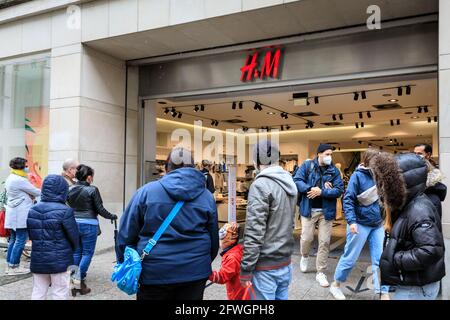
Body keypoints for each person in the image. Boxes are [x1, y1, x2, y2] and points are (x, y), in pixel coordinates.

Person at [117, 148, 219, 300]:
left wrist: (125, 262)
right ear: (193, 167)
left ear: (166, 168)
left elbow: (125, 234)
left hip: (153, 271)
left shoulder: (145, 192)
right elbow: (213, 239)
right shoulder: (206, 197)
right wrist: (201, 261)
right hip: (194, 271)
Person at [372, 152, 445, 300]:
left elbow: (431, 250)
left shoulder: (419, 210)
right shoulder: (410, 204)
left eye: (388, 182)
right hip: (414, 283)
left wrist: (396, 259)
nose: (383, 186)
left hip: (416, 288)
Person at [240, 139, 297, 300]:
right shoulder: (289, 181)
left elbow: (254, 231)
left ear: (257, 161)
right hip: (285, 261)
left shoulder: (260, 185)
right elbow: (290, 223)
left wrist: (246, 269)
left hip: (265, 266)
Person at [329, 149, 389, 300]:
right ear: (369, 161)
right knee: (350, 257)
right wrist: (352, 221)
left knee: (379, 258)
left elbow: (384, 200)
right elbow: (348, 199)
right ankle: (335, 284)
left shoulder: (380, 176)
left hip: (377, 224)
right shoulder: (357, 176)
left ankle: (383, 291)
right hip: (359, 223)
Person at [293, 144, 344, 287]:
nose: (330, 157)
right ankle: (304, 255)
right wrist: (310, 189)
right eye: (327, 154)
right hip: (309, 209)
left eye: (331, 154)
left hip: (326, 211)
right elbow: (297, 180)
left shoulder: (334, 170)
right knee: (306, 238)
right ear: (319, 154)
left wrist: (322, 192)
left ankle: (320, 272)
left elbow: (339, 190)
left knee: (324, 242)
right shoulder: (307, 166)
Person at [67, 164, 118, 296]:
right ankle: (78, 279)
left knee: (77, 252)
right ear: (89, 177)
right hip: (89, 224)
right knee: (87, 253)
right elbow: (100, 209)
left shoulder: (69, 189)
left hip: (73, 223)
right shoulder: (93, 190)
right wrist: (112, 216)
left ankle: (75, 277)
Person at [27, 175, 79, 300]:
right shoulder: (65, 210)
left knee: (38, 291)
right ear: (63, 190)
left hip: (38, 258)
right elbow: (74, 237)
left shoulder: (32, 209)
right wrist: (71, 250)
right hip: (60, 260)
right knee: (60, 292)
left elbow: (32, 234)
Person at [4, 157, 41, 275]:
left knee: (13, 239)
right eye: (26, 165)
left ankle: (10, 265)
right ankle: (14, 267)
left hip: (14, 213)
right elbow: (35, 191)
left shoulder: (11, 177)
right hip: (20, 214)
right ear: (20, 166)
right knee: (20, 240)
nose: (27, 167)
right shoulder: (19, 180)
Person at [209, 222, 246, 300]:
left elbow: (222, 277)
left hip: (237, 295)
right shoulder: (238, 250)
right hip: (243, 291)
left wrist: (206, 273)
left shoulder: (232, 257)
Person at [414, 144, 447, 218]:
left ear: (428, 155)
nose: (416, 156)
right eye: (414, 154)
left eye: (419, 154)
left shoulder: (432, 193)